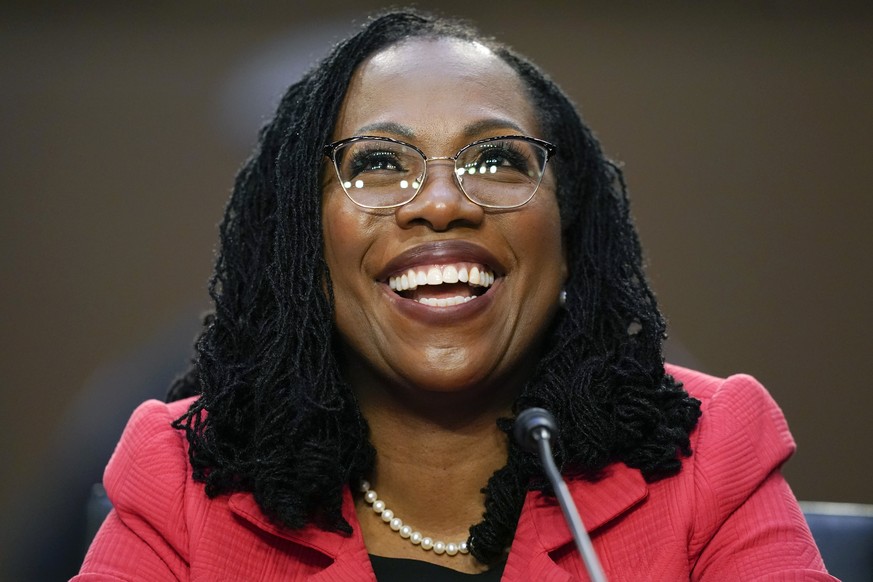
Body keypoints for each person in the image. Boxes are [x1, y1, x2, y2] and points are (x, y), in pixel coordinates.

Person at [74, 10, 834, 581]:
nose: (440, 202)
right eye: (376, 163)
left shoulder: (708, 454)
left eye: (497, 159)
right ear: (303, 238)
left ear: (570, 232)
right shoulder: (180, 475)